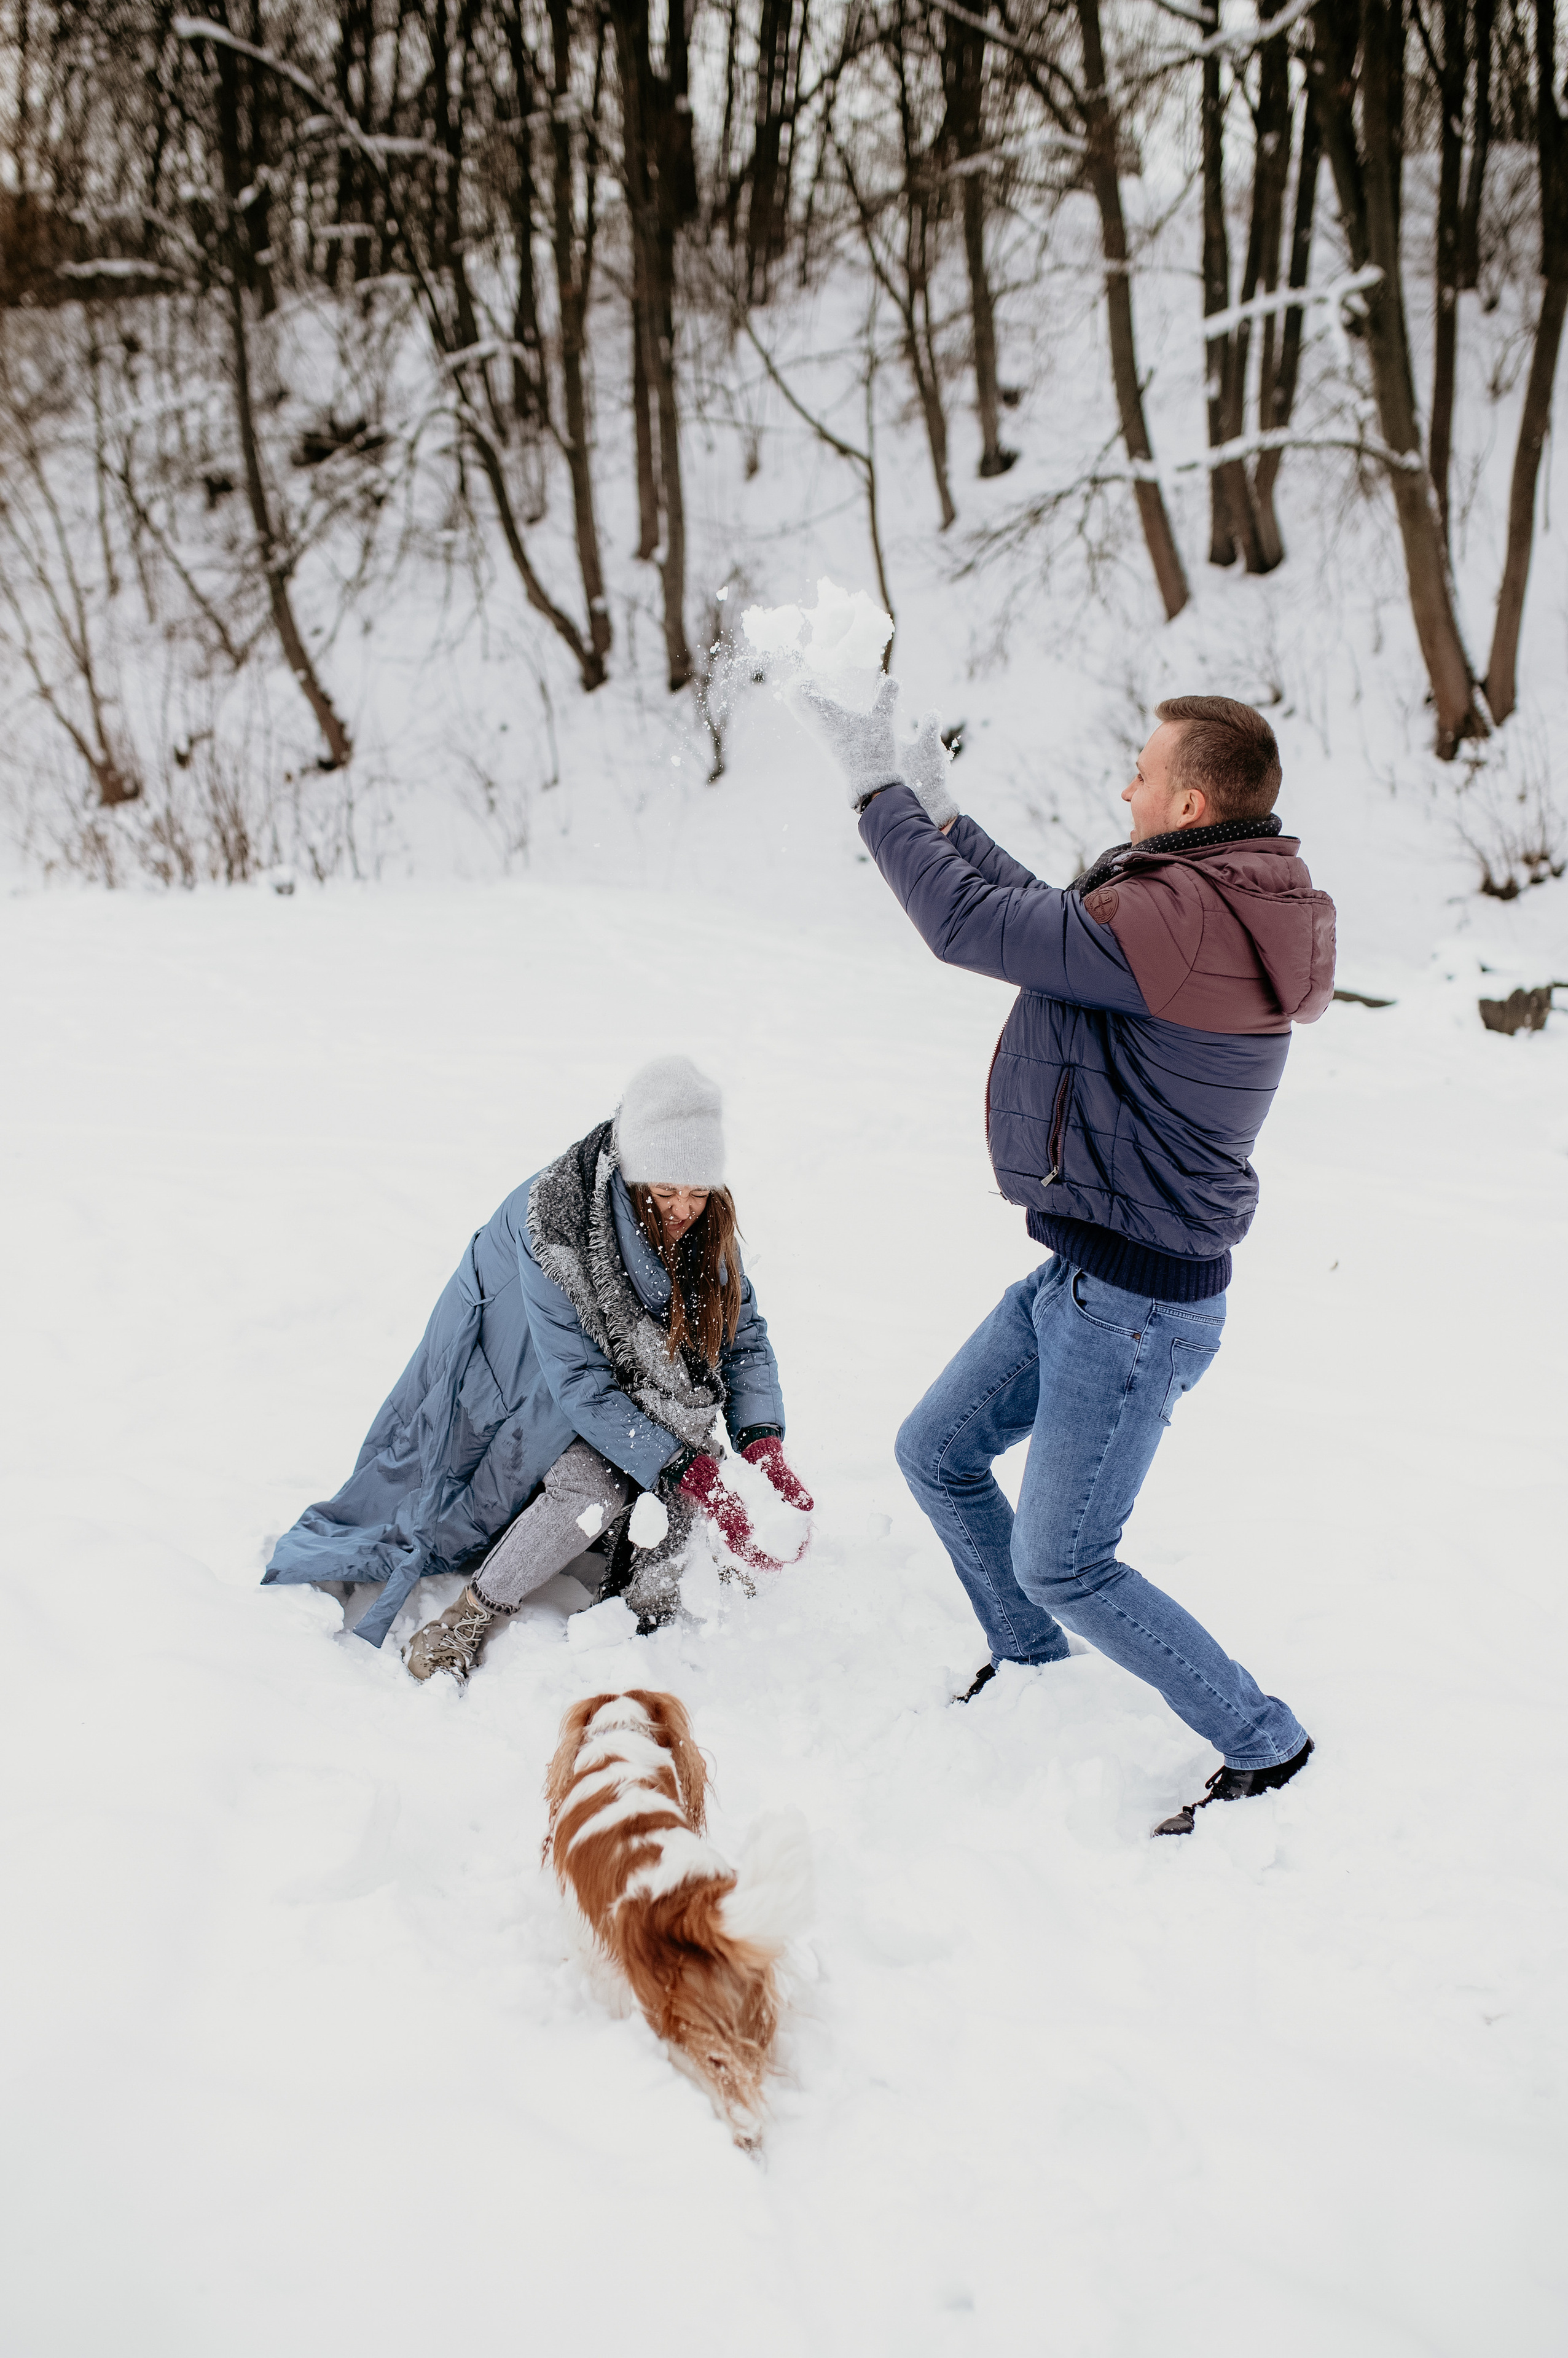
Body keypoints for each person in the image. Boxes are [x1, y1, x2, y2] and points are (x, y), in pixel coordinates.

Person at [797, 683, 1333, 1836]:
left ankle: (1265, 1742)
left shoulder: (1184, 918)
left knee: (1069, 1559)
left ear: (1190, 801)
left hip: (1134, 1306)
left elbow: (974, 930)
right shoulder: (1204, 903)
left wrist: (872, 786)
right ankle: (1029, 1660)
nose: (1124, 786)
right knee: (936, 1449)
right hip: (1087, 1278)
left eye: (1142, 770)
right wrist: (939, 816)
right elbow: (1046, 921)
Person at [264, 1056, 812, 1682]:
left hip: (625, 1386)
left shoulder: (706, 1225)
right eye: (665, 1194)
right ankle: (464, 1621)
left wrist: (761, 1443)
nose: (684, 1209)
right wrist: (680, 1463)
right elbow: (578, 1382)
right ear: (633, 1178)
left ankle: (646, 1612)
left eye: (697, 1191)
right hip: (519, 1370)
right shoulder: (556, 1224)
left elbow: (745, 1335)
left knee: (678, 1481)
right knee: (588, 1491)